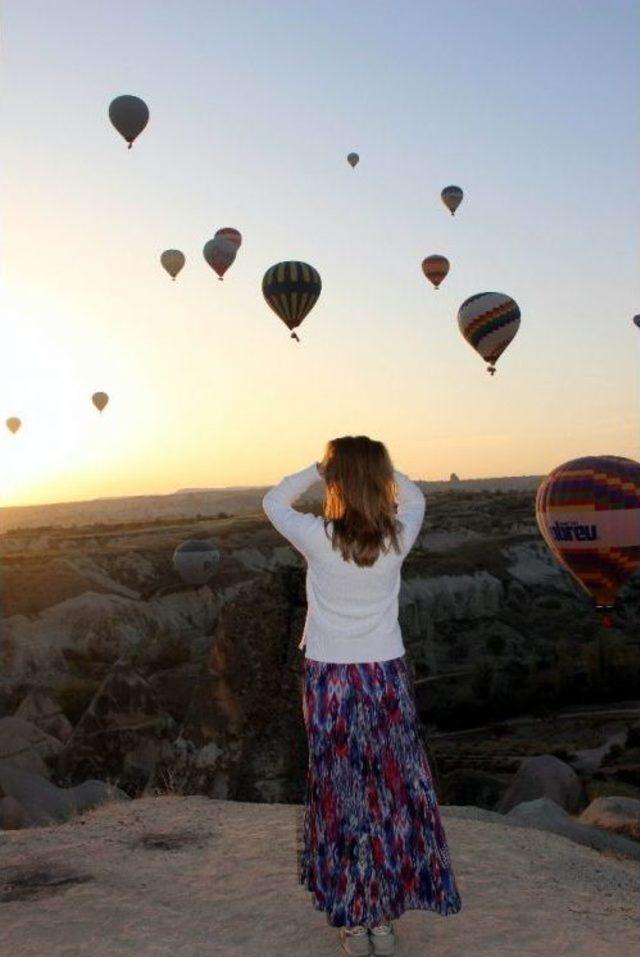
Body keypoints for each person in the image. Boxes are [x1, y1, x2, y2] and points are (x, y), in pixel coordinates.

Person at [262, 436, 462, 956]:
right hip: (385, 676)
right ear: (378, 480)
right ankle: (383, 920)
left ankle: (355, 918)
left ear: (334, 481)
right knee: (391, 791)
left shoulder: (315, 535)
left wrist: (316, 466)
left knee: (341, 792)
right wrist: (387, 471)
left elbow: (272, 502)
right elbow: (416, 499)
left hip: (331, 679)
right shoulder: (398, 534)